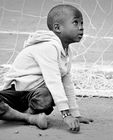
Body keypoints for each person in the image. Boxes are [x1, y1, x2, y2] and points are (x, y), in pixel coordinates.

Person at [0, 4, 93, 133]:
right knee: (51, 89)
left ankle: (19, 115)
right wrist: (66, 115)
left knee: (47, 96)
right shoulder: (48, 47)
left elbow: (66, 83)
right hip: (15, 93)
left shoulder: (65, 51)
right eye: (75, 23)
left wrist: (75, 114)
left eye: (82, 23)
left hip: (33, 97)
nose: (81, 28)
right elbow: (53, 80)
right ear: (57, 27)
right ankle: (28, 118)